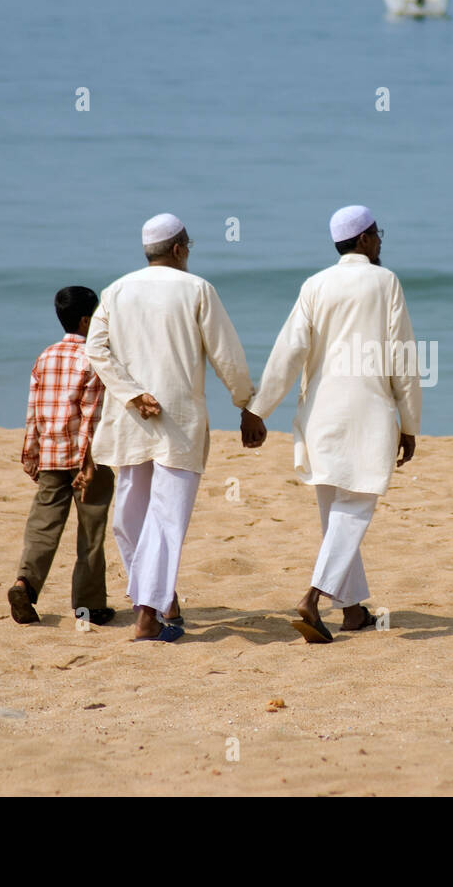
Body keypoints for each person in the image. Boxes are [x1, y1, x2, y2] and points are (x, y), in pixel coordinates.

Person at [86, 213, 266, 642]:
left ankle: (158, 601)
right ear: (180, 249)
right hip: (179, 424)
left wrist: (130, 393)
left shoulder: (116, 291)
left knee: (129, 519)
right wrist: (247, 405)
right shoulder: (197, 289)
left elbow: (95, 350)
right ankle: (150, 611)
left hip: (132, 420)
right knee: (163, 519)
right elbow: (227, 356)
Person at [246, 205, 422, 643]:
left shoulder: (315, 285)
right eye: (377, 235)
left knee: (335, 513)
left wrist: (258, 408)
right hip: (367, 412)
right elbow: (402, 356)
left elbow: (289, 350)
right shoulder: (385, 282)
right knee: (355, 508)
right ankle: (312, 597)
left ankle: (354, 610)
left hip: (320, 415)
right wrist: (410, 422)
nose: (381, 242)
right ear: (363, 240)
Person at [10, 286, 116, 626]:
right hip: (87, 461)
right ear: (87, 320)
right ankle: (89, 606)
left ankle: (24, 584)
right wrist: (87, 462)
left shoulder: (46, 356)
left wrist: (31, 455)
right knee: (91, 532)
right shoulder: (93, 358)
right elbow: (90, 415)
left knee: (42, 527)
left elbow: (34, 411)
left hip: (51, 456)